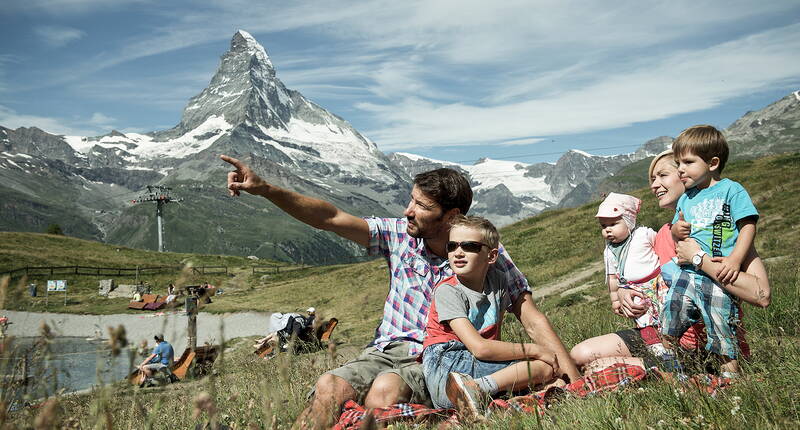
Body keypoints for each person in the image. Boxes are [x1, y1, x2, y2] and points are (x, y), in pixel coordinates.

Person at [220, 154, 580, 429]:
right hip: (383, 349)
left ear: (451, 216)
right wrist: (266, 189)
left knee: (385, 392)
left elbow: (531, 318)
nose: (407, 211)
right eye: (411, 200)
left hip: (433, 358)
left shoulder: (486, 255)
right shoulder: (397, 236)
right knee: (329, 385)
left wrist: (574, 382)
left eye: (421, 206)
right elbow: (329, 218)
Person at [570, 148, 770, 372]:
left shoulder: (723, 234)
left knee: (598, 366)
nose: (654, 185)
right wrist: (625, 292)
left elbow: (761, 296)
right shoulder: (662, 234)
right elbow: (647, 279)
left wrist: (698, 258)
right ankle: (657, 362)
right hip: (662, 335)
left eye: (663, 175)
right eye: (652, 179)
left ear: (686, 174)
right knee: (580, 355)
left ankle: (666, 368)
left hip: (707, 348)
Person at [422, 215, 560, 419]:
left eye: (469, 246)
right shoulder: (447, 291)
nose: (458, 252)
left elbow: (494, 338)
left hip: (474, 364)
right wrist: (535, 350)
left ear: (492, 256)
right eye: (451, 246)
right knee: (541, 367)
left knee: (537, 372)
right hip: (447, 369)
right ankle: (476, 388)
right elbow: (481, 347)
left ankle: (479, 392)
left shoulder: (498, 281)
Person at [663, 125, 760, 376]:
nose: (680, 169)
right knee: (671, 313)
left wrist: (736, 259)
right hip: (687, 273)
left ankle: (731, 376)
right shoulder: (686, 197)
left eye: (687, 162)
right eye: (677, 162)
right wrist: (676, 231)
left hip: (716, 272)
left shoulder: (731, 190)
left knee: (720, 324)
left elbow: (748, 225)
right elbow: (676, 227)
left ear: (713, 162)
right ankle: (674, 369)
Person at [596, 193, 666, 353]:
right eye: (603, 226)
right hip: (634, 289)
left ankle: (672, 340)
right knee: (642, 317)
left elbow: (660, 248)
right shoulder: (609, 251)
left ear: (628, 221)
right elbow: (612, 278)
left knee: (666, 313)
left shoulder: (643, 234)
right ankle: (656, 347)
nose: (607, 230)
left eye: (613, 224)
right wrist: (615, 300)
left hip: (658, 283)